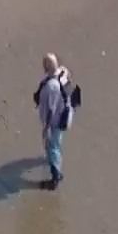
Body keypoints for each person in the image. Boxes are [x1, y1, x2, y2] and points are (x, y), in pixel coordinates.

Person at [34, 53, 72, 191]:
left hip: (55, 121)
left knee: (52, 147)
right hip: (64, 116)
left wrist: (46, 127)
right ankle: (56, 165)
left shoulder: (51, 86)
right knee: (57, 142)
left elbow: (50, 109)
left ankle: (55, 177)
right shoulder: (63, 72)